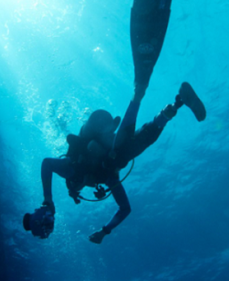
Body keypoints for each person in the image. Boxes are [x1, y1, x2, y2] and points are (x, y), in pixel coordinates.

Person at [39, 81, 206, 244]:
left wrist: (48, 199)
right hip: (109, 136)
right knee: (130, 147)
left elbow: (47, 163)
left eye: (78, 185)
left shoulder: (73, 168)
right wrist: (104, 231)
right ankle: (175, 104)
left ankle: (140, 95)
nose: (84, 184)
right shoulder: (106, 178)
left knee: (122, 150)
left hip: (101, 133)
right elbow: (125, 208)